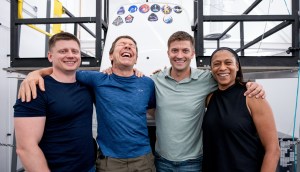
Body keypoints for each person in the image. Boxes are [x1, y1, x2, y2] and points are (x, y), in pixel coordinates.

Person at [17, 35, 156, 172]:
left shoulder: (147, 83)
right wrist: (35, 74)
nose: (127, 46)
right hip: (110, 162)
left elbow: (152, 111)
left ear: (136, 59)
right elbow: (65, 70)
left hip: (143, 160)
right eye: (122, 44)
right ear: (111, 56)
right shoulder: (96, 79)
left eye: (132, 46)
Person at [150, 31, 265, 171]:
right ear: (168, 53)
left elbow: (228, 78)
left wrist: (251, 85)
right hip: (162, 161)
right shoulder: (155, 80)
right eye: (175, 50)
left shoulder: (206, 79)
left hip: (193, 162)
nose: (179, 55)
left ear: (192, 53)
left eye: (185, 50)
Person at [13, 32, 96, 172]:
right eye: (63, 51)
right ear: (50, 56)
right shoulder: (35, 89)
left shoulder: (86, 84)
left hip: (89, 167)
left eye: (75, 51)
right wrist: (35, 74)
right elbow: (26, 148)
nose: (70, 55)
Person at [202, 47, 280, 172]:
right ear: (211, 69)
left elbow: (273, 150)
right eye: (216, 64)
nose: (222, 68)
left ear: (237, 66)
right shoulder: (210, 98)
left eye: (228, 63)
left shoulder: (252, 97)